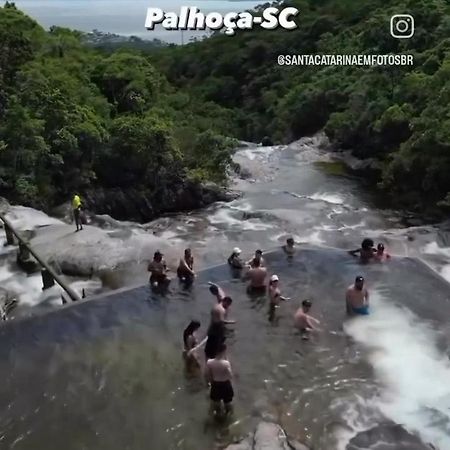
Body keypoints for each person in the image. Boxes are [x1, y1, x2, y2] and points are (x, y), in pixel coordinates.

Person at [206, 342, 234, 416]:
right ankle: (227, 417)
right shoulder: (226, 363)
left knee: (216, 403)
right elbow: (230, 375)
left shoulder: (209, 362)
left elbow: (208, 375)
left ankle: (217, 416)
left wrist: (210, 383)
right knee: (228, 403)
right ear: (223, 351)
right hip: (225, 385)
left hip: (215, 384)